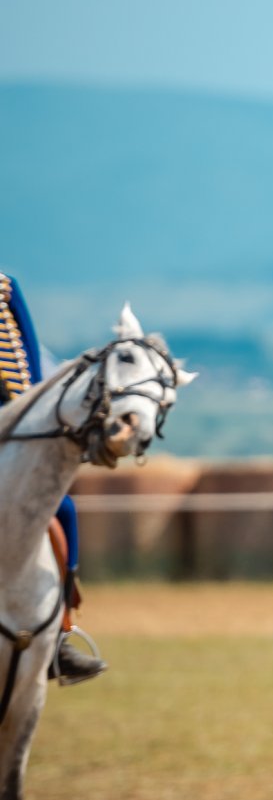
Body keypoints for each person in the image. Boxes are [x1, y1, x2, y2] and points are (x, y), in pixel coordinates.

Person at [0, 271, 109, 684]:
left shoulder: (5, 286)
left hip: (6, 430)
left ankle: (60, 635)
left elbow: (26, 356)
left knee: (62, 509)